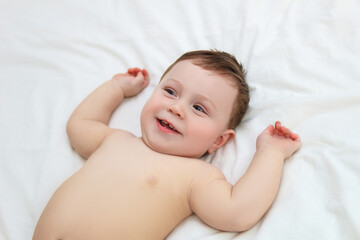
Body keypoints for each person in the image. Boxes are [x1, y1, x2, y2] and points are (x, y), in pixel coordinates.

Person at [33, 50, 301, 240]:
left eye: (199, 108)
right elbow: (80, 124)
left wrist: (271, 153)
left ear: (219, 140)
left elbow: (237, 212)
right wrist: (117, 88)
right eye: (171, 91)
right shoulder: (115, 140)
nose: (176, 108)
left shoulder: (194, 177)